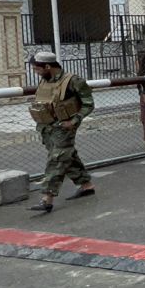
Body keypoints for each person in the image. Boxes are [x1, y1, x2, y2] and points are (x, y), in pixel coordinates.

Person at [27, 51, 96, 213]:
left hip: (64, 127)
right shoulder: (45, 81)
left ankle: (47, 198)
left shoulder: (73, 81)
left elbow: (88, 104)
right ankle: (86, 185)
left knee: (56, 160)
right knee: (66, 156)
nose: (35, 72)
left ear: (48, 66)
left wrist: (74, 121)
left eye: (37, 69)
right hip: (46, 127)